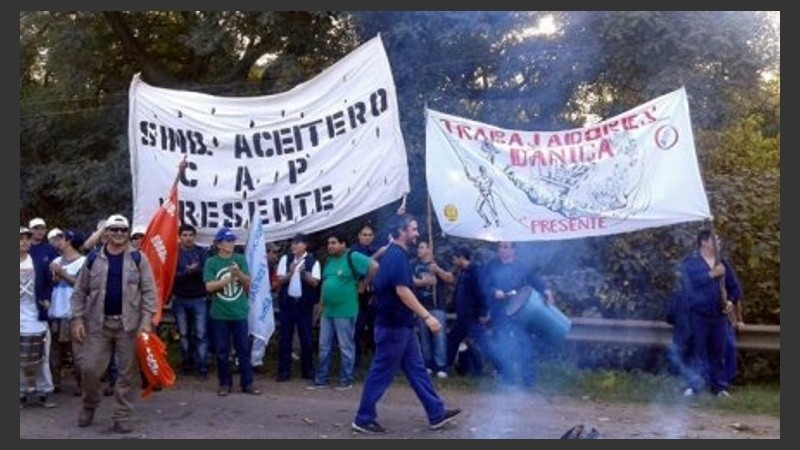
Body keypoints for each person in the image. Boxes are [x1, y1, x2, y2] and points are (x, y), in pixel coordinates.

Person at [351, 213, 461, 434]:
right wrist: (427, 317)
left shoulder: (394, 255)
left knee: (417, 370)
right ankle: (363, 418)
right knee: (381, 372)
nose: (417, 233)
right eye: (413, 228)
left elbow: (402, 285)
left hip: (401, 325)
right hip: (393, 327)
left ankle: (436, 413)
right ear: (401, 231)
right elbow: (402, 291)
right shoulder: (397, 257)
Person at [70, 214, 157, 433]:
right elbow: (79, 291)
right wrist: (77, 319)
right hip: (98, 325)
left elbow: (149, 292)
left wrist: (146, 321)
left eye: (123, 230)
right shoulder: (93, 259)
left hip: (129, 326)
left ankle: (122, 415)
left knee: (125, 374)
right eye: (114, 230)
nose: (119, 234)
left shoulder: (139, 258)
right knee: (89, 369)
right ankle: (89, 405)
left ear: (127, 234)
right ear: (106, 233)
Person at [309, 232, 378, 390]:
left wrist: (364, 283)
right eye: (329, 243)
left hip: (345, 310)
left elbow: (374, 266)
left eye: (333, 243)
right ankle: (321, 380)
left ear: (343, 244)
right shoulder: (329, 260)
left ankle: (346, 380)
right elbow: (326, 283)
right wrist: (320, 306)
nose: (330, 246)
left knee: (345, 346)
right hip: (328, 310)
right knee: (324, 346)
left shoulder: (352, 256)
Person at [681, 229, 743, 397]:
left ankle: (719, 387)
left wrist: (730, 301)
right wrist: (711, 274)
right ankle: (693, 386)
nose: (719, 242)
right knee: (697, 350)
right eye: (715, 239)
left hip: (719, 316)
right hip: (698, 315)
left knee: (718, 351)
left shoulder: (723, 264)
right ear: (704, 242)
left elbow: (735, 288)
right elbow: (690, 285)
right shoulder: (691, 264)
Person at [482, 241, 554, 387]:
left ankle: (528, 381)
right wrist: (494, 291)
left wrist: (546, 290)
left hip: (520, 313)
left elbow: (535, 280)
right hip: (499, 313)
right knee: (502, 346)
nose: (502, 250)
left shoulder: (521, 267)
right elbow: (484, 284)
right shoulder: (492, 266)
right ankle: (506, 380)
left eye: (506, 247)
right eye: (500, 247)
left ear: (513, 250)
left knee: (524, 344)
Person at [203, 227, 260, 396]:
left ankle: (247, 383)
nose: (231, 244)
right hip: (219, 314)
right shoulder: (211, 262)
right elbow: (209, 286)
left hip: (239, 313)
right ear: (219, 244)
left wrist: (239, 274)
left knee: (243, 350)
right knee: (222, 351)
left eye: (233, 240)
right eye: (227, 241)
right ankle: (224, 383)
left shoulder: (240, 259)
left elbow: (248, 283)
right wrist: (227, 278)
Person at [443, 245, 496, 377]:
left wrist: (483, 313)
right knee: (453, 340)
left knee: (485, 344)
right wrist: (450, 306)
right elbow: (458, 294)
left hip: (472, 317)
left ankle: (501, 368)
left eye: (455, 259)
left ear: (462, 258)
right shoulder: (462, 273)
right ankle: (446, 367)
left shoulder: (475, 272)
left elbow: (481, 293)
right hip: (462, 317)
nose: (453, 262)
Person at [275, 233, 321, 382]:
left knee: (306, 338)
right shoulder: (285, 259)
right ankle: (283, 371)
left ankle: (307, 370)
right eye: (292, 243)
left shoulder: (313, 261)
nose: (293, 246)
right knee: (285, 338)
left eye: (297, 243)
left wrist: (302, 273)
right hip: (287, 304)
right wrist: (290, 272)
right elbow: (279, 281)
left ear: (305, 245)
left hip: (304, 305)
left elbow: (315, 283)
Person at [20, 225, 57, 409]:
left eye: (27, 238)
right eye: (20, 238)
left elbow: (50, 285)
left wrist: (47, 299)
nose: (25, 241)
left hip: (36, 316)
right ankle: (21, 392)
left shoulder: (38, 262)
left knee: (42, 356)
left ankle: (45, 390)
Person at [47, 229, 87, 396]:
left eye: (61, 238)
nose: (58, 241)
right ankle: (55, 383)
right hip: (55, 311)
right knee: (54, 351)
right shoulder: (56, 260)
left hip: (73, 313)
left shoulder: (83, 262)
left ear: (69, 241)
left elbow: (82, 285)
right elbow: (53, 283)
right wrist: (55, 277)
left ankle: (83, 384)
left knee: (77, 352)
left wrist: (63, 274)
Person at [173, 224, 209, 379]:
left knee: (201, 334)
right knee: (184, 334)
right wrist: (187, 273)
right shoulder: (174, 253)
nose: (188, 238)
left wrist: (196, 271)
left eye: (190, 235)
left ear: (195, 237)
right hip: (180, 298)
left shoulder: (202, 252)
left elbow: (207, 274)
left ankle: (202, 366)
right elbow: (172, 277)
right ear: (179, 237)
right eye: (185, 235)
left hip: (199, 298)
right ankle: (187, 362)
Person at [412, 240, 449, 378]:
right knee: (424, 338)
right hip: (421, 306)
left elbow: (450, 278)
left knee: (439, 336)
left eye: (421, 247)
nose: (418, 250)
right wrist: (426, 282)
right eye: (418, 247)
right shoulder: (415, 265)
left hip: (437, 306)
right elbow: (411, 281)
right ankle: (428, 364)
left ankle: (441, 367)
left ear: (429, 249)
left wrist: (438, 270)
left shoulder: (437, 263)